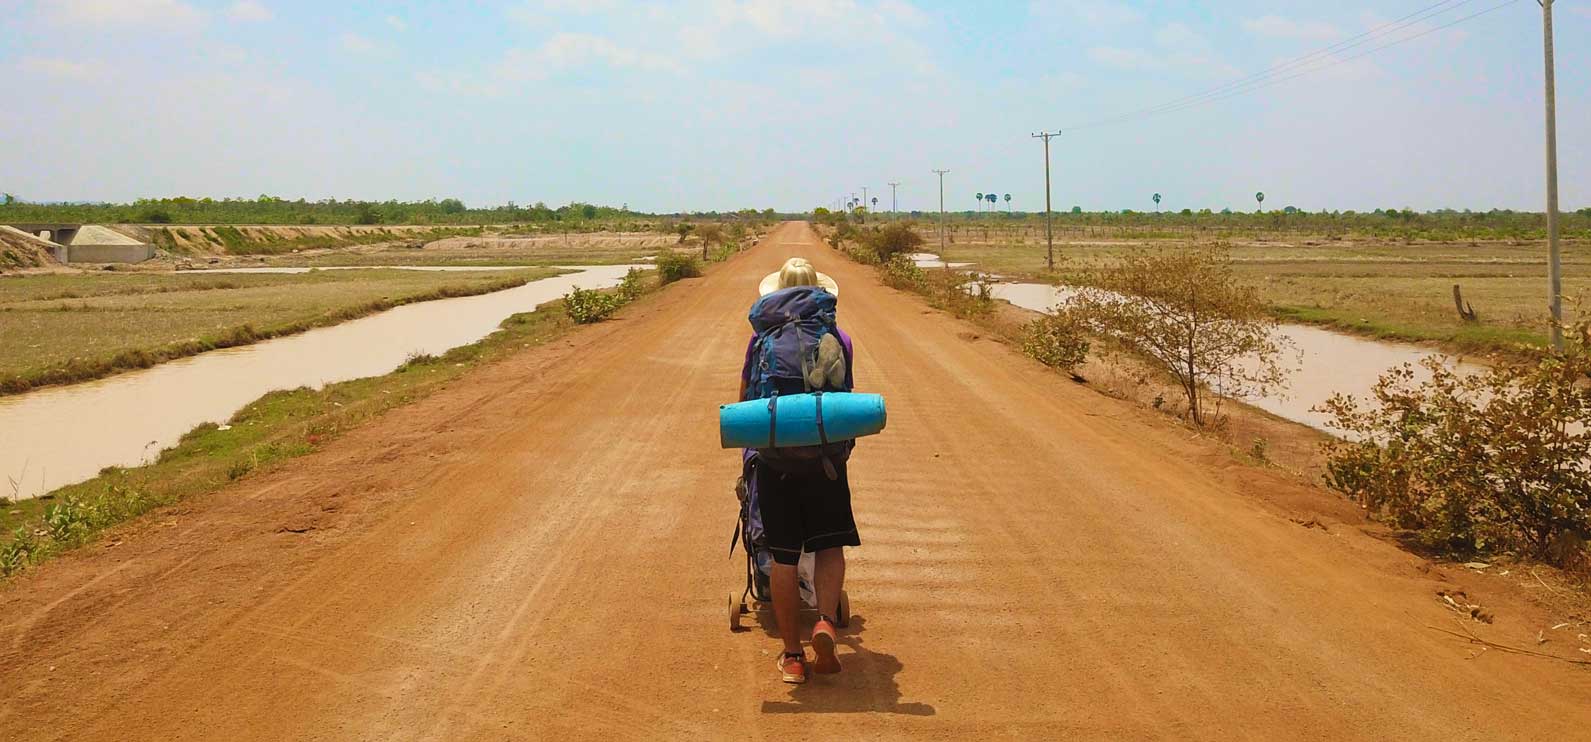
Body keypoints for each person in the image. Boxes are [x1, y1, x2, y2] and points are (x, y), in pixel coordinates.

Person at [739, 257, 860, 685]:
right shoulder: (838, 337)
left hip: (776, 465)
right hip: (827, 463)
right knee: (829, 547)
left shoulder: (761, 340)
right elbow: (846, 403)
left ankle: (792, 656)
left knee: (784, 558)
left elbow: (746, 403)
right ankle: (824, 619)